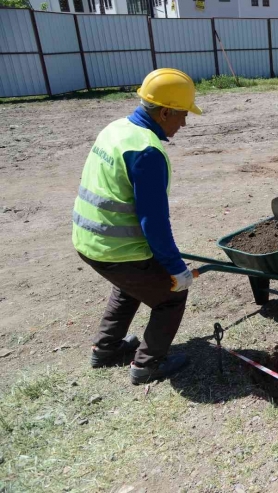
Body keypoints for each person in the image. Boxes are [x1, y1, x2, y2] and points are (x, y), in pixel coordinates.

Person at [72, 68, 201, 385]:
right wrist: (175, 268)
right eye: (182, 115)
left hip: (89, 240)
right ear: (166, 111)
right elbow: (153, 222)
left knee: (129, 286)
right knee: (171, 298)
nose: (183, 123)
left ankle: (106, 349)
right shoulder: (146, 151)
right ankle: (147, 365)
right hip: (116, 247)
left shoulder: (116, 129)